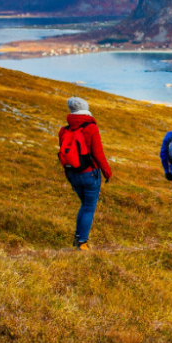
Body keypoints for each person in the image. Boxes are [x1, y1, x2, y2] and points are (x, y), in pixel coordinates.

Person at [58, 96, 113, 251]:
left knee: (85, 205)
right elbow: (98, 153)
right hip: (89, 174)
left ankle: (78, 237)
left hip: (72, 174)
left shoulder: (64, 130)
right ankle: (82, 242)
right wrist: (107, 172)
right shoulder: (91, 128)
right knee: (89, 207)